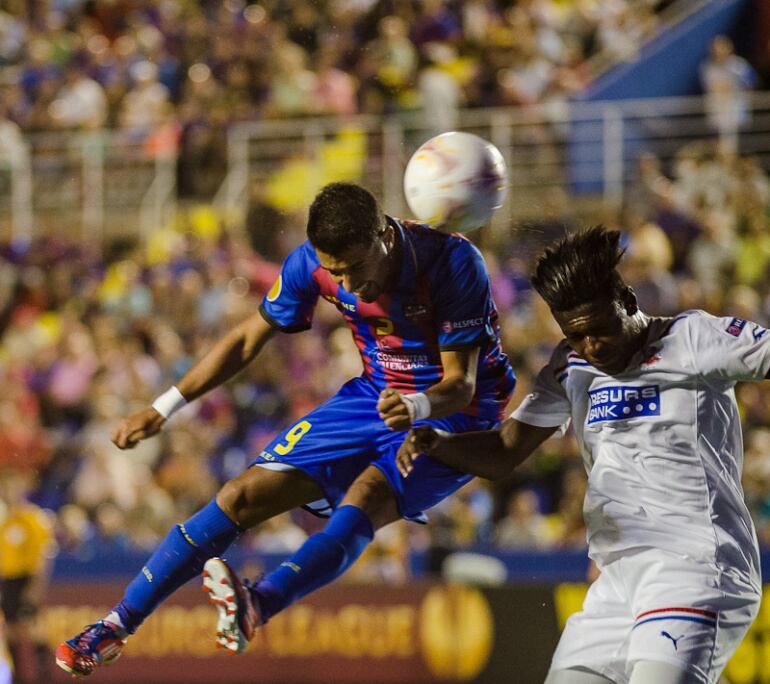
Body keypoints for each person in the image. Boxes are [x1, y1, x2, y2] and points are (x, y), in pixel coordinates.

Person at [56, 182, 515, 676]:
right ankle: (114, 626)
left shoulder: (451, 261)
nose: (349, 285)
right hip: (373, 396)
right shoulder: (311, 265)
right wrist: (165, 405)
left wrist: (417, 404)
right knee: (241, 495)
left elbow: (462, 384)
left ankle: (261, 602)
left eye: (357, 268)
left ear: (384, 236)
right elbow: (248, 338)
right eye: (336, 273)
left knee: (368, 495)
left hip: (456, 412)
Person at [397, 226, 763, 684]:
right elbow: (504, 452)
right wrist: (438, 442)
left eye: (598, 330)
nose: (591, 347)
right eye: (574, 335)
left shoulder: (693, 337)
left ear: (627, 300)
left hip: (695, 566)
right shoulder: (570, 367)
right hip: (616, 583)